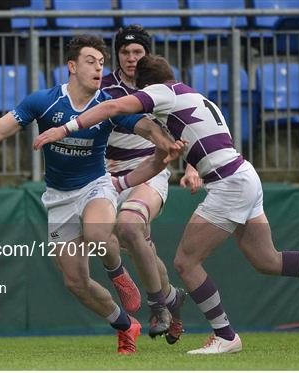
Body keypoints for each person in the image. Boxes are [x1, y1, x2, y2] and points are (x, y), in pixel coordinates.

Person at [34, 54, 299, 355]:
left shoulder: (162, 93)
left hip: (229, 185)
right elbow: (165, 158)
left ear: (148, 86)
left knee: (186, 262)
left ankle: (225, 335)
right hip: (244, 176)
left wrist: (66, 129)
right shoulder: (196, 98)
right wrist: (123, 182)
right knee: (267, 260)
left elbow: (110, 107)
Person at [0, 37, 184, 354]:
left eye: (101, 62)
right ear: (72, 66)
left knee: (98, 232)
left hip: (96, 185)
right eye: (91, 61)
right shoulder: (44, 101)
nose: (99, 68)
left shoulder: (107, 104)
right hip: (58, 196)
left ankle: (118, 272)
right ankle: (125, 325)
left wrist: (163, 141)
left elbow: (145, 127)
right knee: (75, 282)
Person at [100, 24, 201, 343]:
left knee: (129, 228)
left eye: (137, 52)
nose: (131, 58)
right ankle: (172, 297)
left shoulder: (162, 88)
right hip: (108, 175)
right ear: (116, 55)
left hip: (152, 167)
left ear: (148, 54)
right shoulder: (103, 87)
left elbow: (192, 126)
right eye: (125, 52)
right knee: (133, 244)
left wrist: (192, 166)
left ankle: (158, 306)